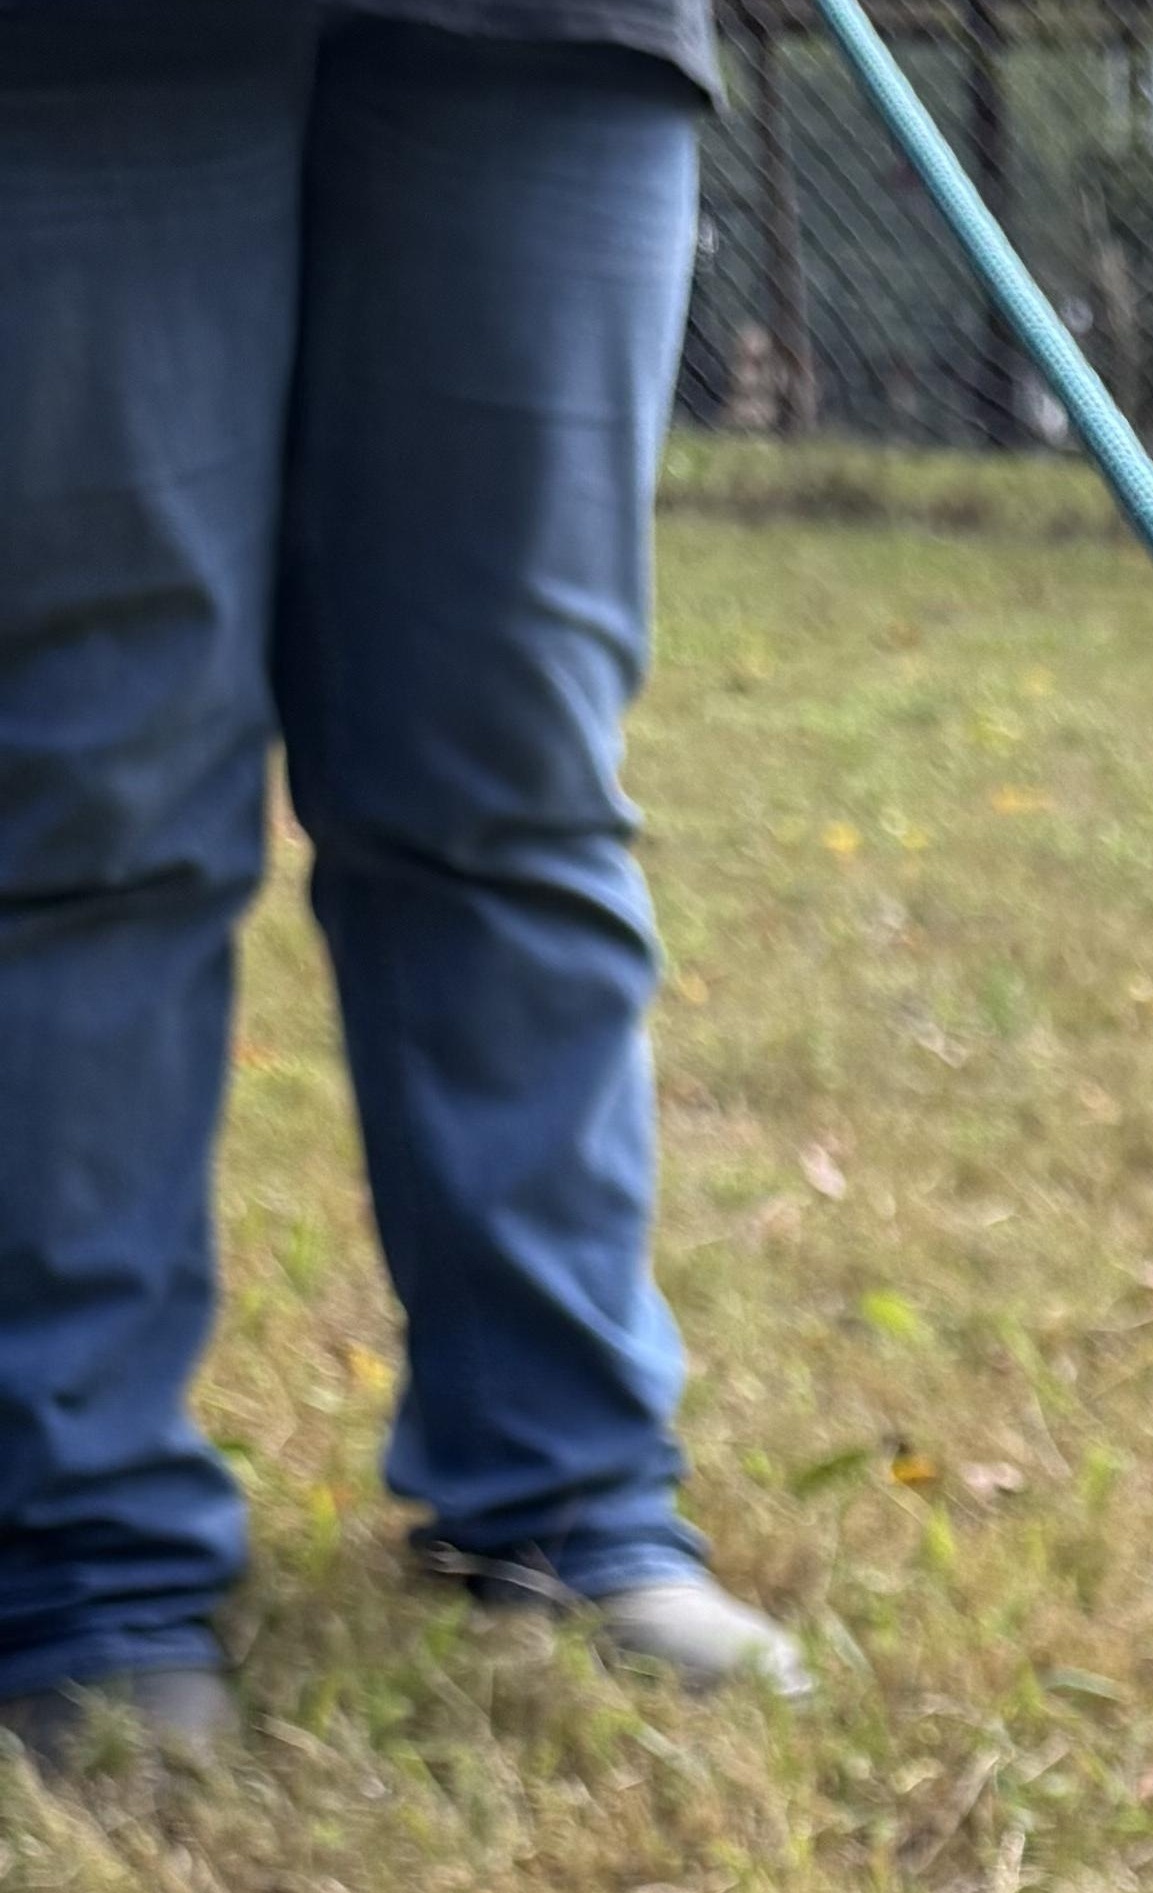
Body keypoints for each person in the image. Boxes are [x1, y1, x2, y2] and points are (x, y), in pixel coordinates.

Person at [0, 0, 803, 1773]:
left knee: (514, 782)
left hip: (549, 34)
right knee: (84, 786)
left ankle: (567, 1504)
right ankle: (74, 1560)